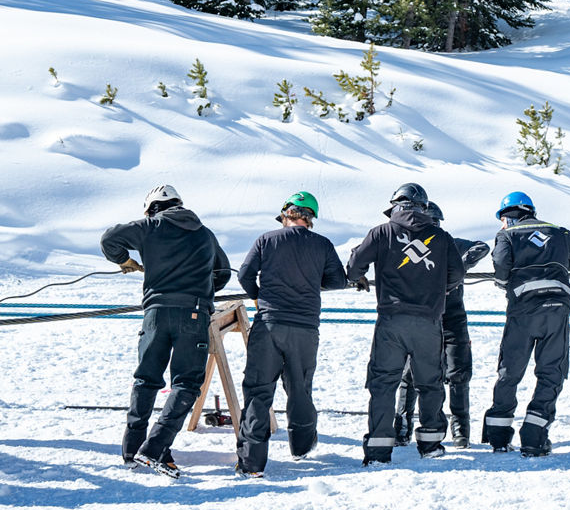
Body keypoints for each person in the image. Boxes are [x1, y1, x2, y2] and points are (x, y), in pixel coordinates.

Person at [100, 184, 230, 478]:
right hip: (194, 313)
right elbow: (222, 272)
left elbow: (109, 239)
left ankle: (133, 448)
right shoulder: (204, 234)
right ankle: (155, 448)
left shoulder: (150, 227)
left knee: (146, 379)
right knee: (186, 383)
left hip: (155, 313)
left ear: (152, 207)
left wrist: (125, 261)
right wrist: (202, 285)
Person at [346, 183, 464, 465]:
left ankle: (378, 449)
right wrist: (437, 291)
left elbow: (354, 266)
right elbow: (457, 274)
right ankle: (431, 444)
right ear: (423, 206)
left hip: (391, 320)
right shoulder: (440, 236)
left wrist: (358, 277)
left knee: (384, 383)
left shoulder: (381, 232)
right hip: (428, 321)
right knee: (430, 383)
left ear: (395, 205)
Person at [235, 192, 347, 477]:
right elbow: (337, 280)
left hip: (269, 324)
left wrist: (260, 298)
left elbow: (245, 274)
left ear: (286, 214)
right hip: (305, 328)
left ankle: (251, 463)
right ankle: (301, 445)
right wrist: (311, 281)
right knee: (300, 387)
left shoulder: (266, 239)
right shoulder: (322, 244)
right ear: (311, 219)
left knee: (259, 391)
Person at [482, 192, 570, 457]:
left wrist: (504, 282)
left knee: (510, 370)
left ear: (507, 216)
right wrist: (564, 266)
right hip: (557, 309)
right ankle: (534, 437)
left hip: (523, 310)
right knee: (551, 372)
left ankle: (499, 436)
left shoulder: (507, 235)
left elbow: (501, 264)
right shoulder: (557, 232)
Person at [394, 201, 490, 449]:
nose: (433, 228)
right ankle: (402, 423)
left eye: (436, 223)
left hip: (453, 316)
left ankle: (461, 427)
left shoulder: (450, 242)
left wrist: (461, 264)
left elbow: (482, 247)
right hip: (423, 317)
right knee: (411, 371)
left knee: (459, 372)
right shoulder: (412, 246)